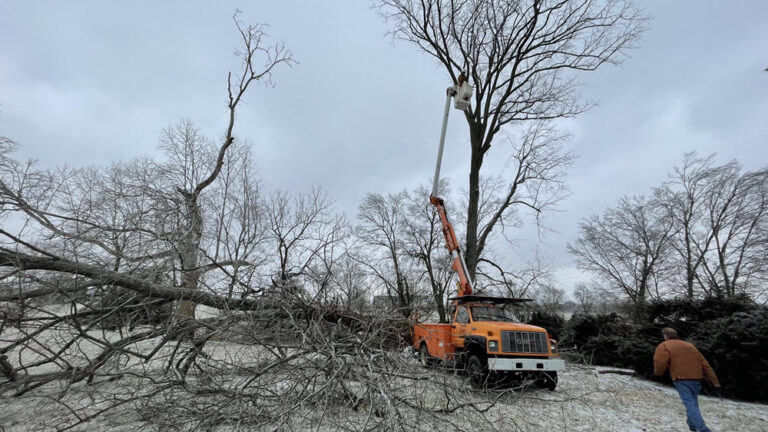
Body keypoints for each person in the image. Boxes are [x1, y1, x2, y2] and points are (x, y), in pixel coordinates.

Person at [654, 327, 720, 432]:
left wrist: (658, 373)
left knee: (690, 403)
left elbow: (660, 361)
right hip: (697, 378)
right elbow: (705, 364)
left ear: (666, 336)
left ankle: (703, 429)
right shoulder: (690, 346)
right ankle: (692, 425)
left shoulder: (665, 345)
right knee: (692, 402)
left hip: (681, 378)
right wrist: (714, 380)